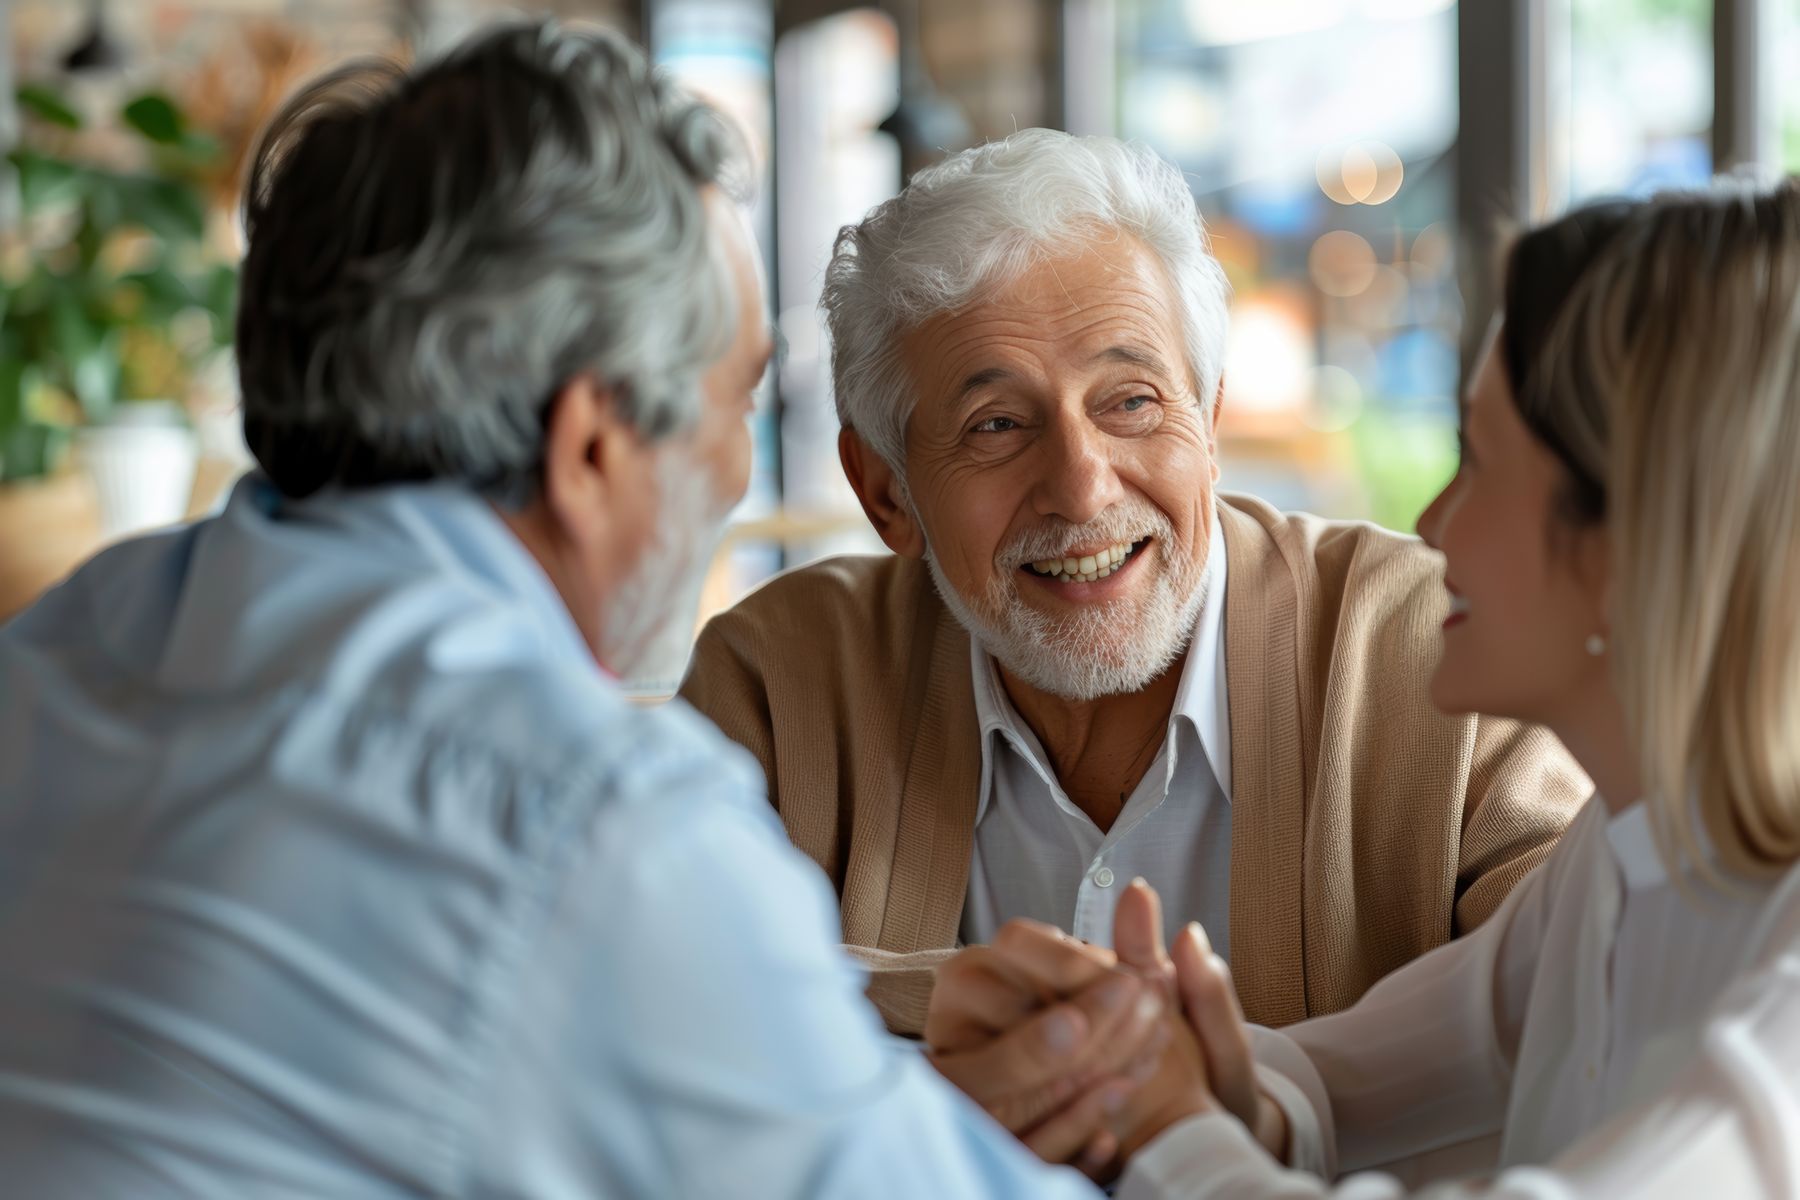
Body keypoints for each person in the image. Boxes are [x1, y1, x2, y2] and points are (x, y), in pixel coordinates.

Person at [0, 22, 1235, 1198]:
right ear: (591, 450)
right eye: (736, 404)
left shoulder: (60, 652)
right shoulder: (590, 822)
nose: (737, 476)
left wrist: (866, 1080)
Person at [937, 179, 1800, 1196]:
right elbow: (1338, 1077)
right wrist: (1146, 1059)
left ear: (1636, 538)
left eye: (1478, 463)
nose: (1433, 524)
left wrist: (1167, 1119)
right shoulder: (1623, 862)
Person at [679, 128, 1589, 1036]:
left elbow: (1601, 1012)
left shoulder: (1446, 658)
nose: (1082, 487)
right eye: (996, 425)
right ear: (886, 490)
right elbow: (651, 1014)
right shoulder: (779, 684)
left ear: (1211, 421)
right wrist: (962, 1012)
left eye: (1132, 402)